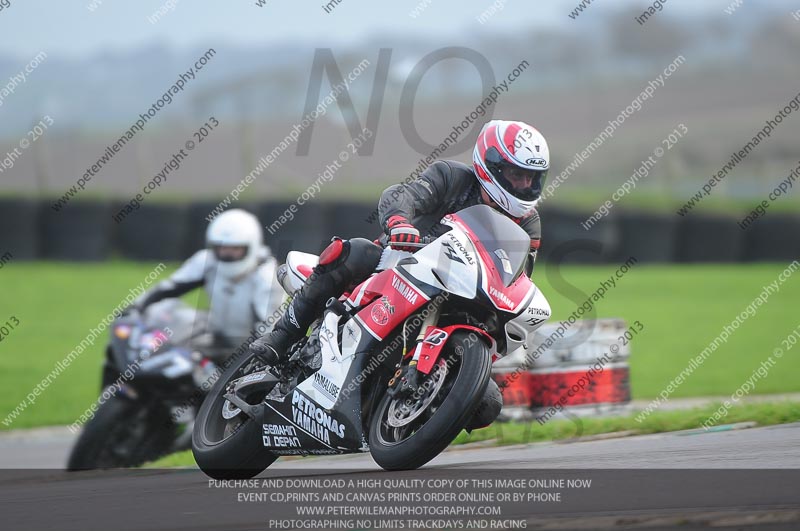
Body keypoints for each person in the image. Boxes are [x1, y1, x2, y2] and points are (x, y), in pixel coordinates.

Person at [251, 119, 549, 429]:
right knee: (354, 251)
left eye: (532, 178)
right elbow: (402, 195)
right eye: (517, 175)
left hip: (461, 295)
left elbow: (514, 276)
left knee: (487, 402)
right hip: (399, 262)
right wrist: (400, 223)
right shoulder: (452, 178)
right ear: (491, 166)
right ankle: (282, 336)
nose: (525, 186)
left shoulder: (529, 225)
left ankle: (406, 419)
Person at [133, 208, 285, 362]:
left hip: (252, 354)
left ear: (251, 247)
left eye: (235, 249)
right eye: (221, 248)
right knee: (171, 313)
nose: (226, 254)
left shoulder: (267, 277)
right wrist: (134, 310)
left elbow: (268, 335)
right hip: (216, 338)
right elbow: (166, 289)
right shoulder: (207, 261)